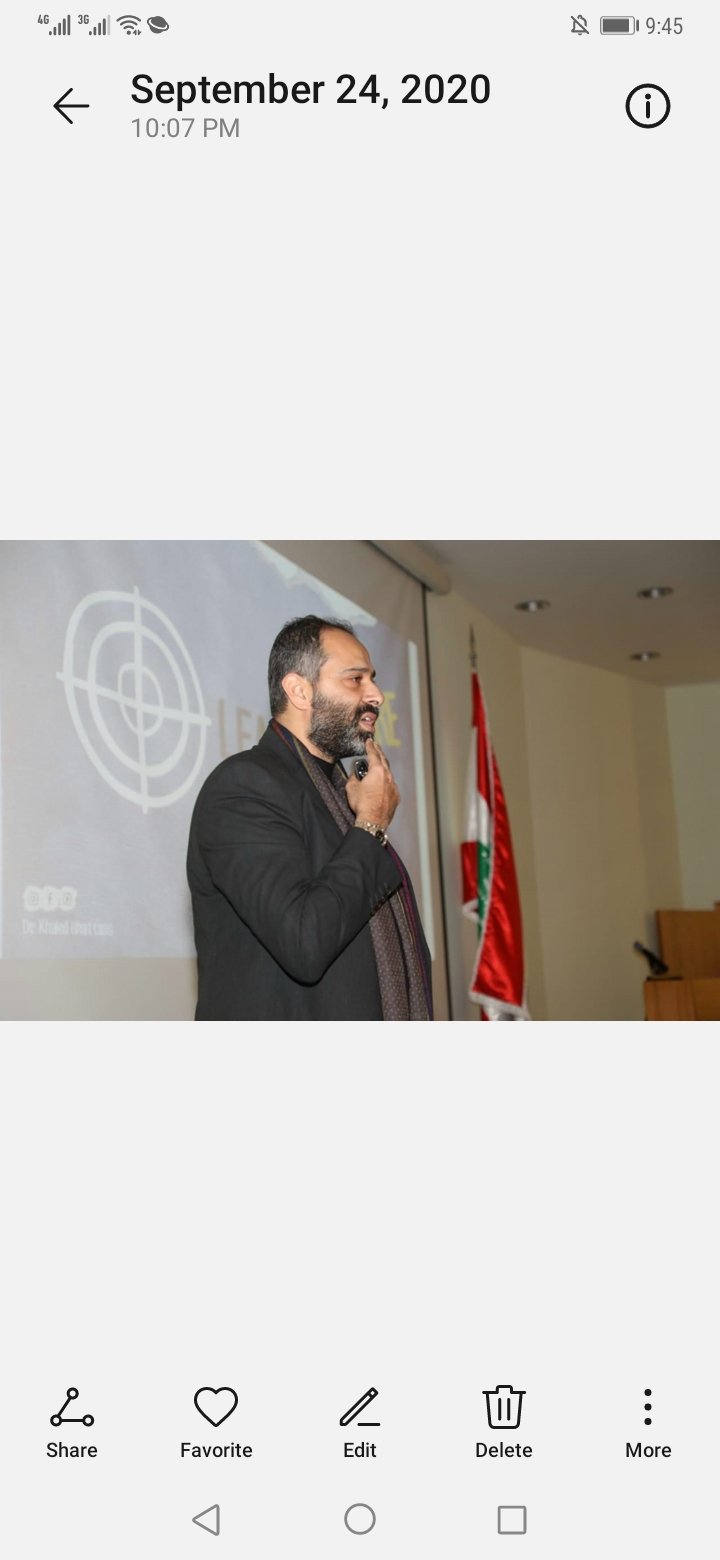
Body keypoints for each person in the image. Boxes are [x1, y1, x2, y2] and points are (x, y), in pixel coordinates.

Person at [187, 615, 433, 1021]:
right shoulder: (242, 786)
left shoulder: (342, 793)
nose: (376, 695)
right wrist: (370, 824)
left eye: (372, 679)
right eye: (355, 679)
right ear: (299, 691)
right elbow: (304, 940)